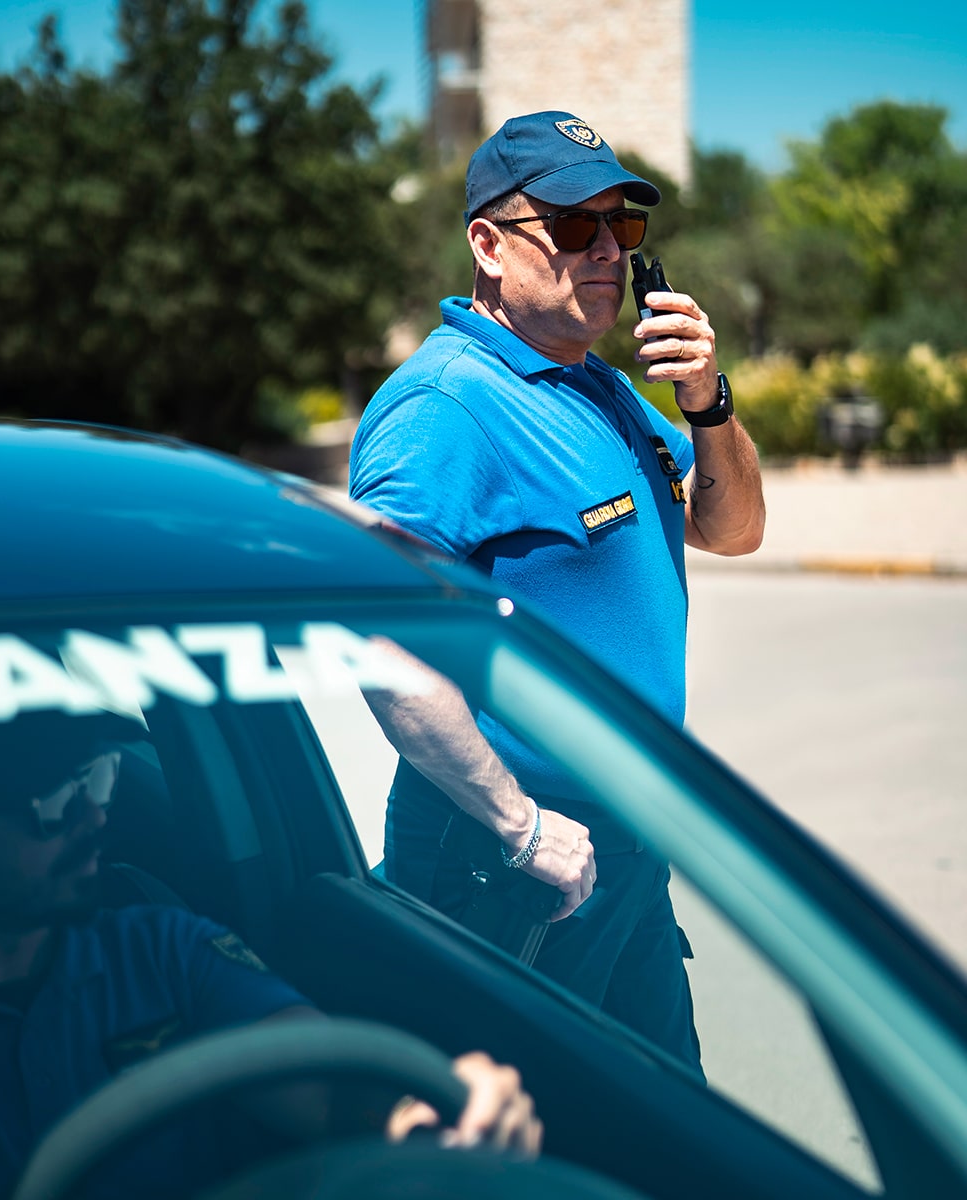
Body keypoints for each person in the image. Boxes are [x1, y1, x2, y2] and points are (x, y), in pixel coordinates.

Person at [349, 110, 766, 1075]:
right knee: (526, 1155)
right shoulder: (444, 407)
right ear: (488, 246)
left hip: (624, 852)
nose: (608, 254)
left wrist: (709, 404)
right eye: (576, 229)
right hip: (512, 864)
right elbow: (379, 638)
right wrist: (519, 823)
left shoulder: (600, 386)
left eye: (623, 229)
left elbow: (732, 529)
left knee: (667, 1135)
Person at [0, 731, 541, 1200]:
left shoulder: (162, 951)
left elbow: (325, 1078)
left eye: (96, 779)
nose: (96, 815)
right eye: (51, 801)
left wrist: (424, 1114)